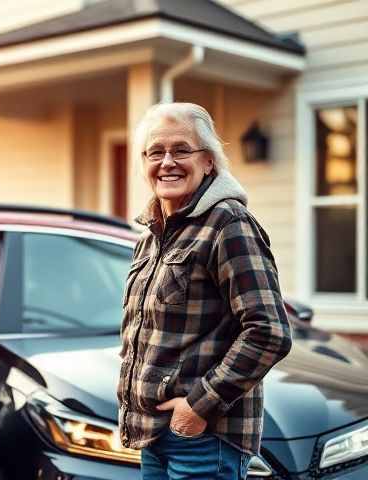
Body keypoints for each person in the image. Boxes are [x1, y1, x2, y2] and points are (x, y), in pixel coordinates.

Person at [117, 103, 293, 479]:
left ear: (209, 162)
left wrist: (197, 407)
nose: (167, 162)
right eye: (155, 152)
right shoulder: (153, 235)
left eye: (182, 150)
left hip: (203, 438)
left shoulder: (228, 223)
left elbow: (269, 332)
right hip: (155, 435)